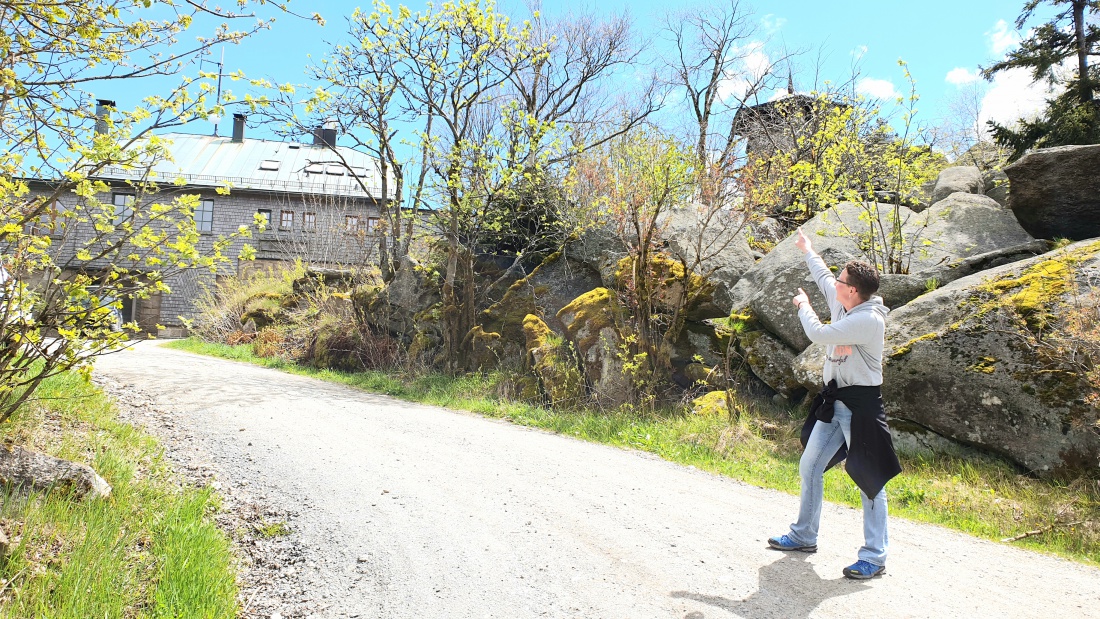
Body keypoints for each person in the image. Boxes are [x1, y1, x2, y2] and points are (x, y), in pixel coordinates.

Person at [767, 227, 901, 580]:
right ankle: (802, 536)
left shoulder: (867, 320)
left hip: (862, 408)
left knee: (870, 480)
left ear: (853, 290)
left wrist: (803, 307)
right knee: (810, 466)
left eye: (842, 281)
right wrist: (807, 250)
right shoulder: (845, 302)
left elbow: (819, 334)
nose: (835, 283)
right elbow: (824, 277)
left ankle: (874, 556)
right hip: (835, 403)